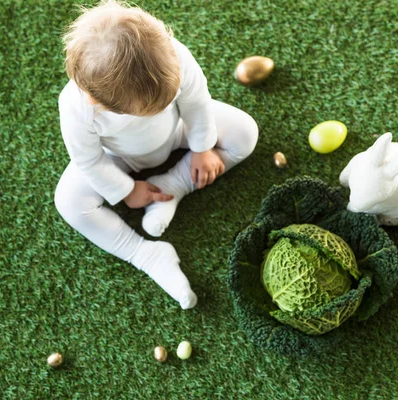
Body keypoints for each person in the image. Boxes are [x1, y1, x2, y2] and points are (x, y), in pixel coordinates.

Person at [55, 0, 258, 309]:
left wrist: (202, 148)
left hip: (177, 130)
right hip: (118, 156)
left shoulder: (173, 55)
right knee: (69, 203)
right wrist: (125, 189)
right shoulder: (77, 106)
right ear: (94, 99)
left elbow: (196, 102)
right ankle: (144, 254)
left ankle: (175, 184)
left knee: (246, 133)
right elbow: (89, 160)